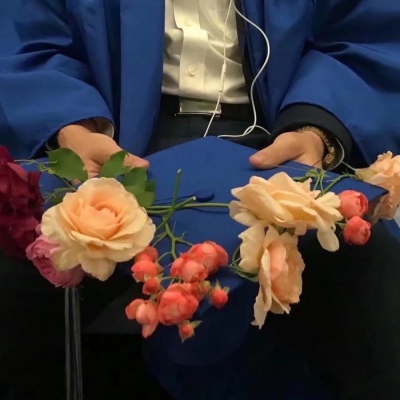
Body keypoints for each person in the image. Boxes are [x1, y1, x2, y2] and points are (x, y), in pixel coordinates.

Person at [1, 0, 400, 399]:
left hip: (278, 134)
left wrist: (318, 128)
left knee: (372, 272)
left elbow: (363, 33)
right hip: (112, 135)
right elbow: (28, 32)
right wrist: (71, 123)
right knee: (20, 275)